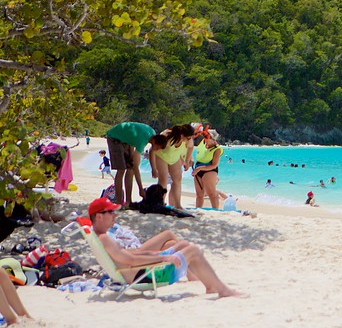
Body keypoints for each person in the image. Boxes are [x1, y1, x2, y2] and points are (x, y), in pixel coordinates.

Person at [88, 197, 241, 297]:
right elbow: (132, 260)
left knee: (181, 245)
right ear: (99, 216)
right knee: (193, 250)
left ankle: (208, 284)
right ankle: (221, 289)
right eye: (111, 212)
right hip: (143, 276)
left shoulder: (101, 237)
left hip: (136, 272)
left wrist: (158, 253)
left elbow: (130, 257)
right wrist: (165, 257)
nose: (115, 215)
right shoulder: (105, 239)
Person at [105, 122, 156, 206]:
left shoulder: (152, 134)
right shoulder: (142, 141)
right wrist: (140, 189)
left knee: (130, 168)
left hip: (127, 139)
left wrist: (154, 169)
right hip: (114, 137)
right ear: (154, 142)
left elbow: (133, 137)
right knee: (121, 170)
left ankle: (128, 201)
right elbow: (136, 166)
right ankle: (118, 201)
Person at [149, 124, 195, 209]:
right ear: (182, 135)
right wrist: (153, 168)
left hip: (174, 158)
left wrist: (187, 161)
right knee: (163, 180)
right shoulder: (167, 139)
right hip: (161, 157)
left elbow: (191, 148)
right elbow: (152, 151)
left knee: (177, 180)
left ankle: (177, 204)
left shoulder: (188, 141)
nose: (189, 139)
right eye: (188, 137)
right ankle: (160, 203)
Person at [192, 133, 224, 209]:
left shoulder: (217, 149)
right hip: (198, 169)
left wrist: (200, 168)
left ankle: (215, 210)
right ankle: (198, 209)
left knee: (211, 194)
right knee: (199, 194)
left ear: (213, 139)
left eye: (207, 137)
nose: (205, 139)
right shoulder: (202, 143)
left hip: (209, 170)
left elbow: (214, 165)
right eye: (205, 137)